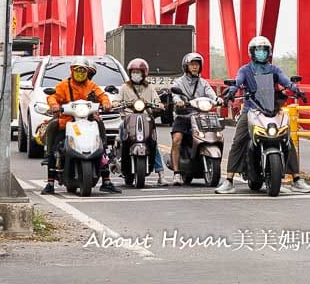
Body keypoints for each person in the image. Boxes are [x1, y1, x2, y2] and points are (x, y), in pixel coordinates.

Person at [215, 35, 310, 194]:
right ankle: (229, 180)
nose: (261, 52)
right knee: (238, 140)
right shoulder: (245, 70)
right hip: (251, 109)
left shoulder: (273, 70)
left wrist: (296, 89)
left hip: (270, 109)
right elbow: (238, 81)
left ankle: (296, 179)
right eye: (258, 50)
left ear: (269, 52)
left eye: (264, 50)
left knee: (287, 139)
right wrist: (232, 90)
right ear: (252, 52)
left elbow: (285, 81)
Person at [43, 56, 120, 195]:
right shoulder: (63, 86)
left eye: (83, 70)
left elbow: (102, 95)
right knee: (54, 129)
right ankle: (50, 180)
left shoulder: (91, 86)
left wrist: (106, 103)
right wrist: (54, 105)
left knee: (101, 131)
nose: (80, 72)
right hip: (67, 121)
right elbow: (53, 96)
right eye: (77, 69)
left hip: (88, 120)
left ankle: (107, 180)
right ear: (72, 70)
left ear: (87, 71)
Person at [169, 51, 217, 185]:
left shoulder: (203, 83)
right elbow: (175, 94)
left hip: (201, 116)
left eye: (197, 65)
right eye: (192, 65)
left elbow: (211, 94)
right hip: (183, 116)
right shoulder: (179, 82)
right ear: (186, 66)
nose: (195, 67)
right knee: (177, 139)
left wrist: (218, 100)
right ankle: (177, 173)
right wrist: (178, 101)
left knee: (213, 135)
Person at [119, 58, 166, 186]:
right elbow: (117, 101)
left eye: (138, 72)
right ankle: (118, 159)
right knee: (121, 138)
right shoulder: (124, 87)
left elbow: (157, 101)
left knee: (153, 144)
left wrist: (159, 105)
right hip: (128, 118)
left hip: (146, 119)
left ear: (144, 73)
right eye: (133, 72)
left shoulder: (150, 88)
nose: (136, 74)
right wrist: (115, 103)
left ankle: (161, 174)